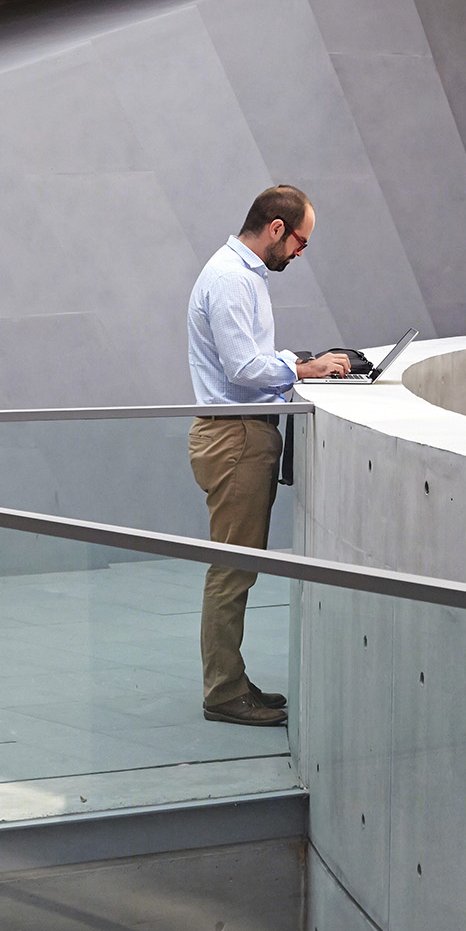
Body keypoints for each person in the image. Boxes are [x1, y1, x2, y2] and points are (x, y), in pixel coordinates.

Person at [187, 185, 350, 725]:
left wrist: (289, 361)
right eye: (300, 241)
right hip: (235, 438)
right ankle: (224, 693)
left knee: (239, 566)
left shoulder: (238, 273)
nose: (300, 254)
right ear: (276, 229)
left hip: (241, 434)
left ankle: (231, 680)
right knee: (233, 568)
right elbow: (241, 369)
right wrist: (302, 369)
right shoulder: (233, 279)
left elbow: (249, 360)